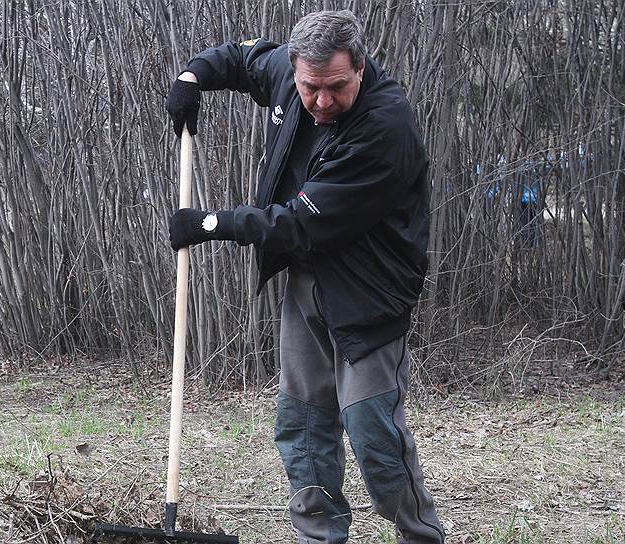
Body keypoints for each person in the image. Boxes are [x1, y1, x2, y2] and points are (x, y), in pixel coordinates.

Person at [165, 10, 444, 544]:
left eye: (335, 87)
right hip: (305, 284)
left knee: (372, 434)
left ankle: (419, 534)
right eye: (309, 86)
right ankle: (319, 537)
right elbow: (242, 57)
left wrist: (210, 222)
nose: (319, 101)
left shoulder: (386, 127)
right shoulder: (289, 75)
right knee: (305, 425)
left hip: (368, 296)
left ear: (359, 68)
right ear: (294, 68)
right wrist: (192, 77)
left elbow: (300, 221)